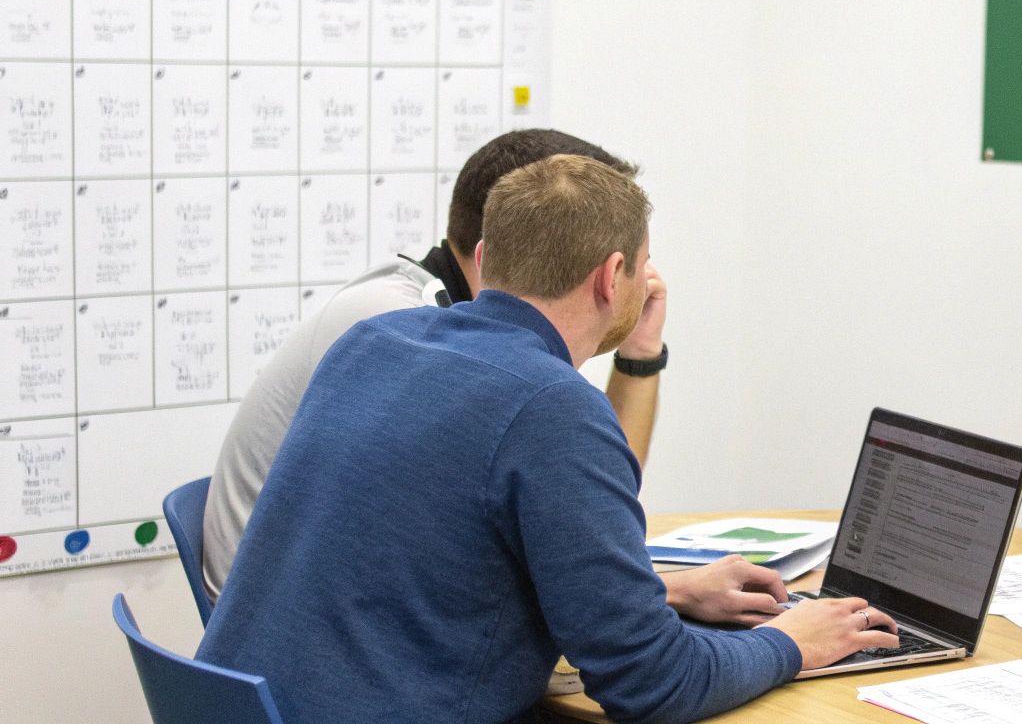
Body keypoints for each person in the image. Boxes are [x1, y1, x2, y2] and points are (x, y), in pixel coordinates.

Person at [198, 155, 898, 724]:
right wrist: (788, 643)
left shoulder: (374, 342)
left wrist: (664, 594)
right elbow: (650, 685)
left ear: (484, 254)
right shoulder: (553, 409)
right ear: (611, 277)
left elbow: (445, 564)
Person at [202, 129, 750, 629]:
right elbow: (569, 525)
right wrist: (668, 592)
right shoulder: (398, 325)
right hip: (307, 630)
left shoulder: (437, 331)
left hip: (300, 633)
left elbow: (582, 505)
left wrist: (636, 351)